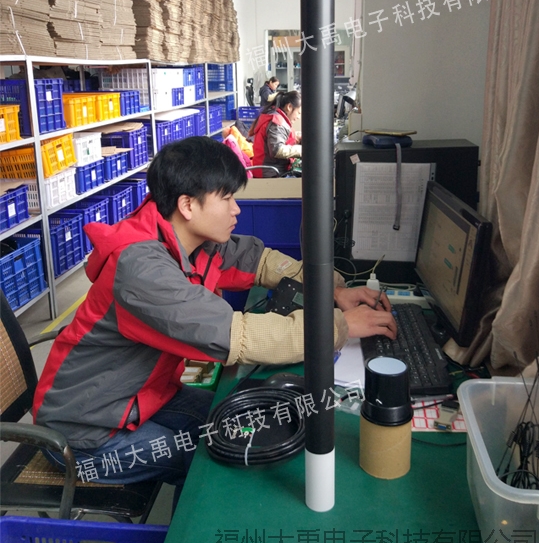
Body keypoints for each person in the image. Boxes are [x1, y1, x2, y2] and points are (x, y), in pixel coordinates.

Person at [33, 137, 396, 497]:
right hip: (85, 435)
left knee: (243, 420)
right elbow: (239, 336)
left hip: (145, 398)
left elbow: (258, 260)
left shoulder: (188, 239)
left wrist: (333, 290)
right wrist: (340, 326)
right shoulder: (142, 271)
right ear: (188, 205)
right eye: (226, 198)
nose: (236, 209)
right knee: (219, 456)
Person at [249, 90, 302, 178]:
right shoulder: (277, 123)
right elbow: (277, 149)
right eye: (298, 113)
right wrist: (300, 150)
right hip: (270, 174)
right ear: (289, 107)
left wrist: (295, 136)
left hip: (266, 170)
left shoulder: (275, 117)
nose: (298, 117)